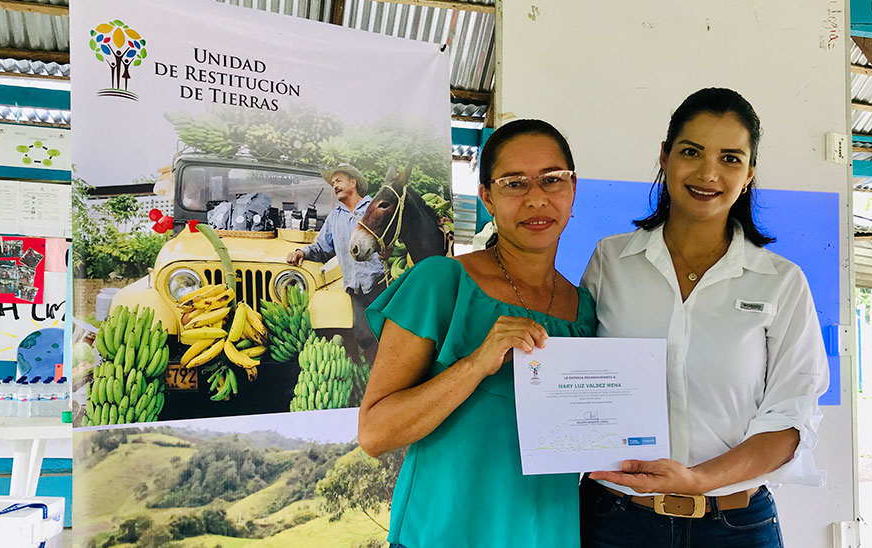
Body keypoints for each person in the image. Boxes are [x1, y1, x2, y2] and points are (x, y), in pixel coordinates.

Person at [580, 88, 830, 547]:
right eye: (691, 151)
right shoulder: (611, 261)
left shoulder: (780, 282)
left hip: (735, 526)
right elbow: (576, 374)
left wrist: (698, 479)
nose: (708, 173)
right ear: (665, 156)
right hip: (616, 520)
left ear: (750, 173)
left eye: (730, 158)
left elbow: (790, 422)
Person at [357, 119, 596, 548]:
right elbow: (376, 433)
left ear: (573, 188)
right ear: (487, 196)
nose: (537, 198)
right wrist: (474, 365)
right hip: (445, 531)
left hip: (547, 531)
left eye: (552, 180)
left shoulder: (585, 310)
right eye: (514, 183)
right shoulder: (441, 283)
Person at [286, 163, 385, 348]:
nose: (335, 186)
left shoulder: (373, 209)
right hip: (355, 290)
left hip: (380, 284)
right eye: (333, 183)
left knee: (387, 336)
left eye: (339, 181)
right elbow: (321, 247)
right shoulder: (334, 217)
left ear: (353, 182)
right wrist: (301, 252)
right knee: (365, 339)